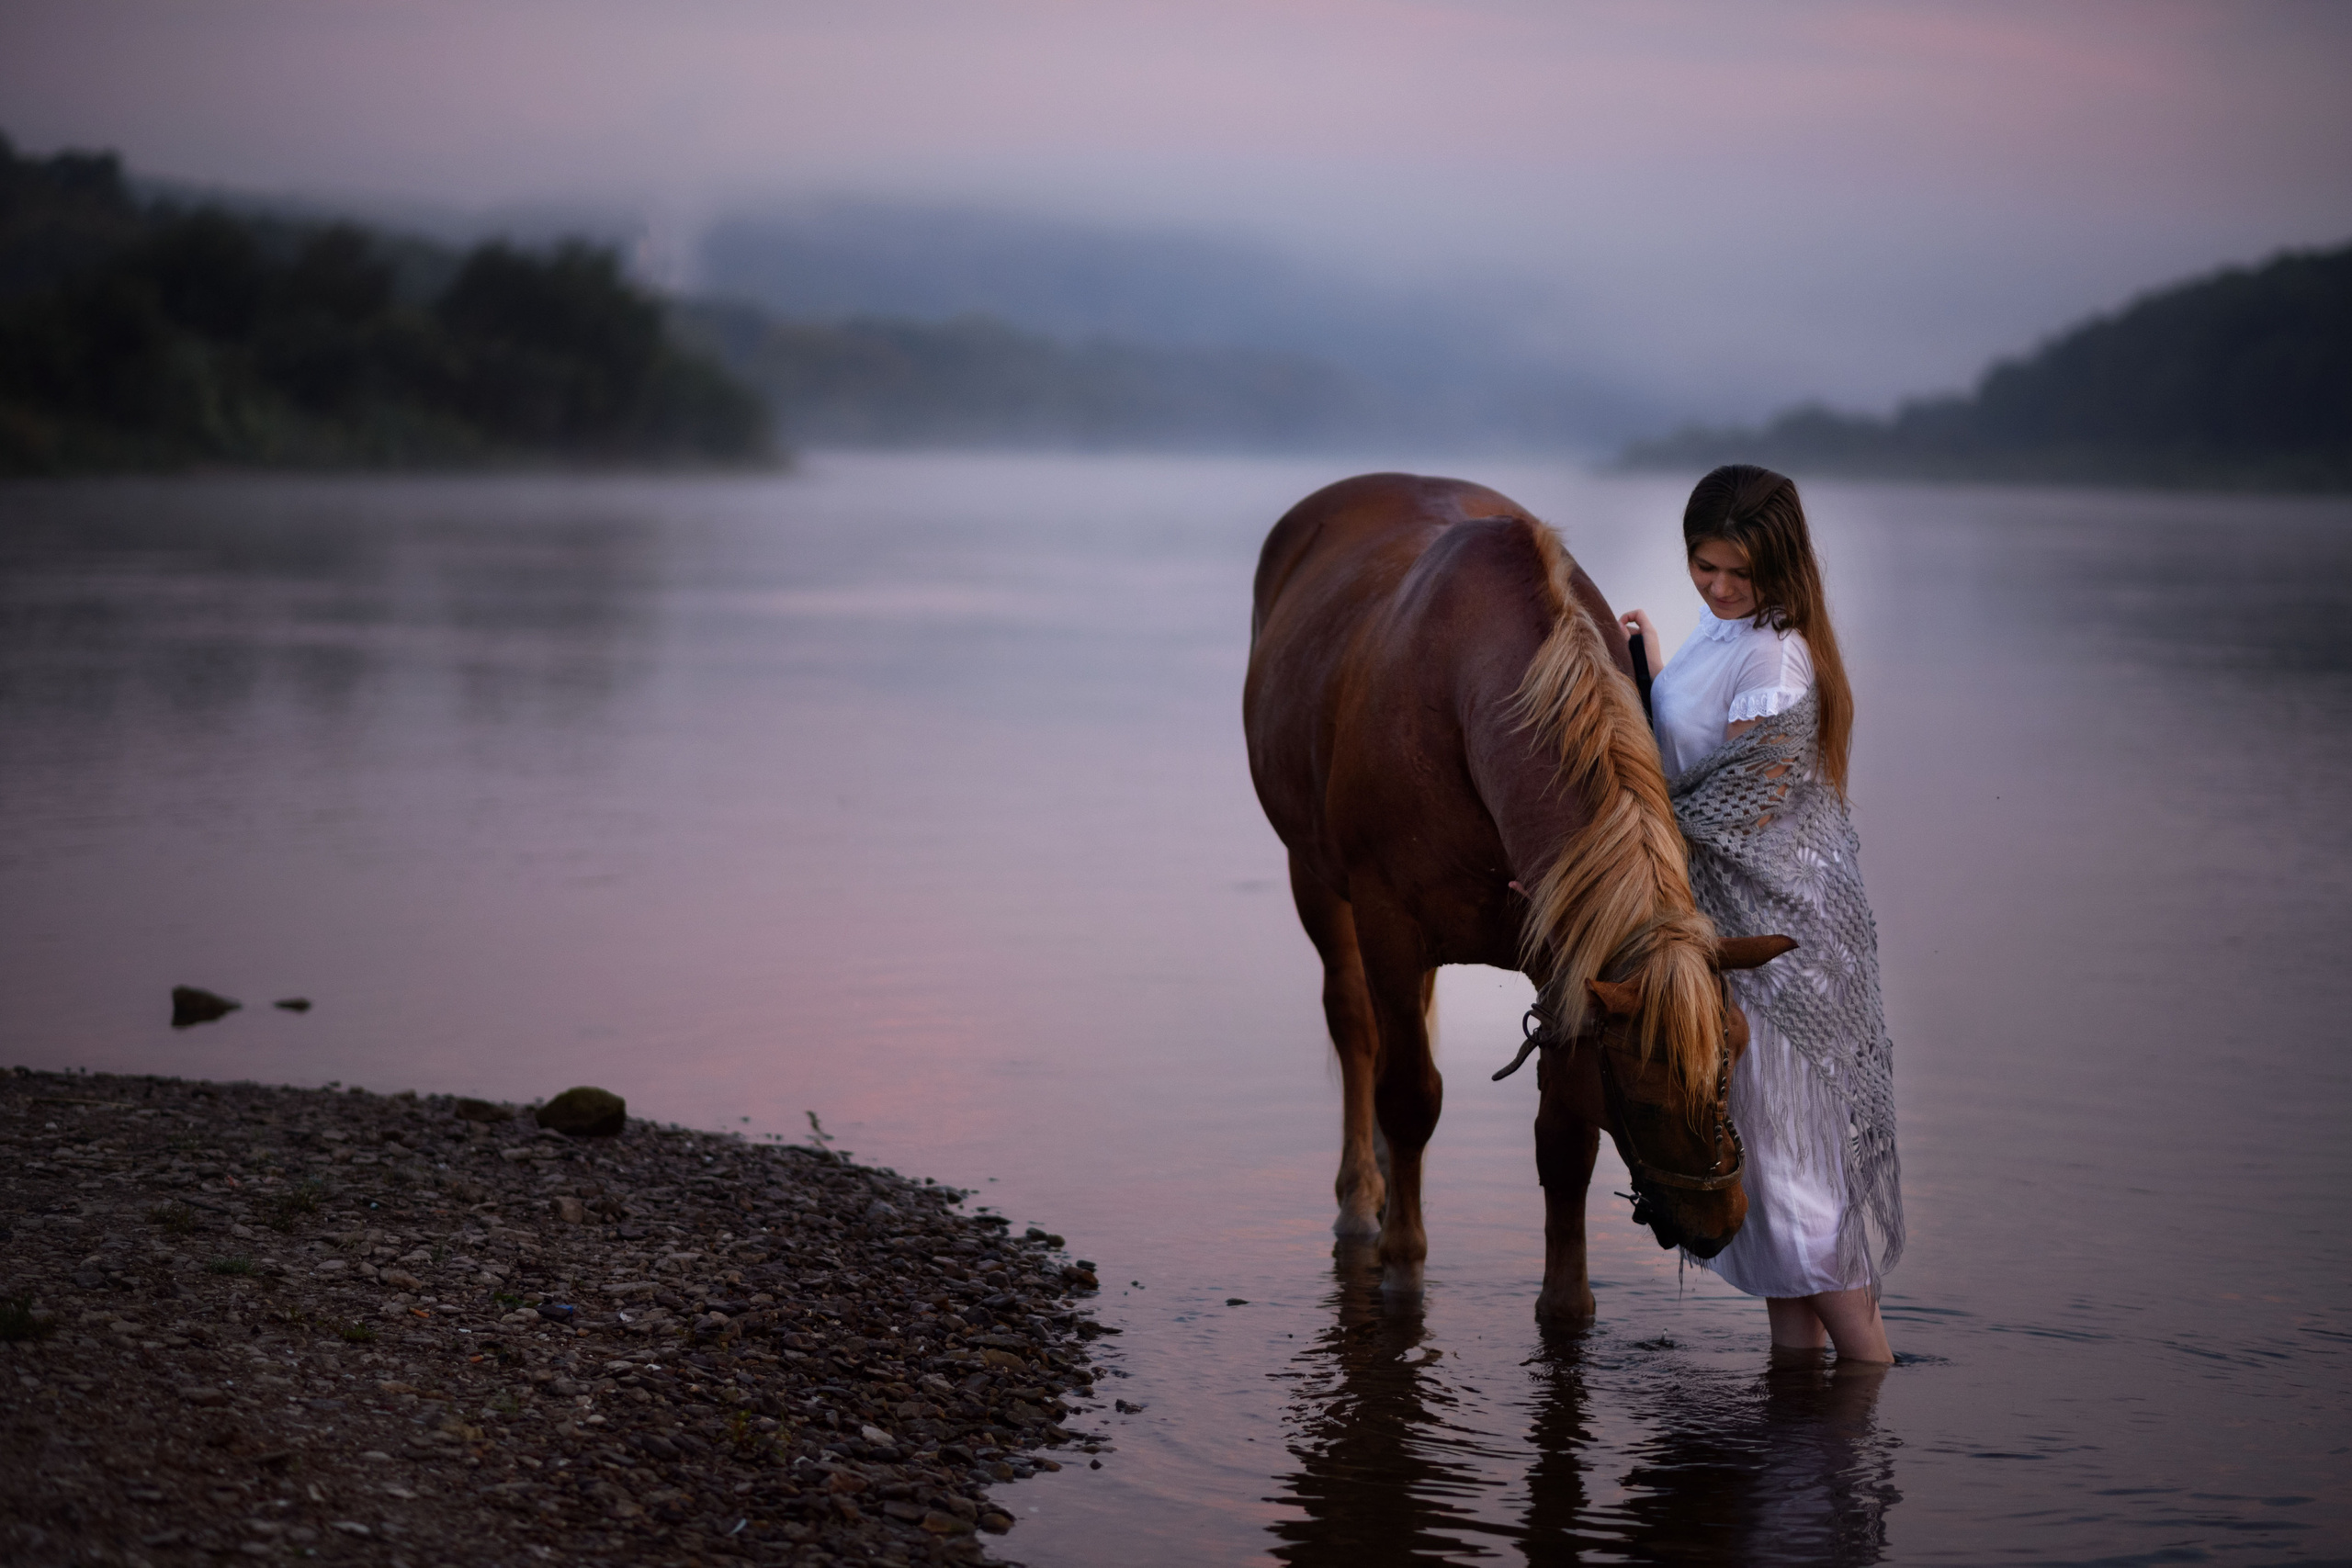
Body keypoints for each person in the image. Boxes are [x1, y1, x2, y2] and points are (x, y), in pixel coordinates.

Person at [1619, 464, 1903, 1364]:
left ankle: (1867, 1389)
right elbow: (1698, 757)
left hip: (1782, 954)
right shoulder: (1719, 633)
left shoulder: (1775, 654)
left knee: (1800, 1191)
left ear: (1779, 568)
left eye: (1738, 573)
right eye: (1704, 565)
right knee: (1777, 1209)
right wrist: (1654, 667)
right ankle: (1800, 1444)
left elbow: (1740, 805)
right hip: (1728, 938)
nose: (1719, 587)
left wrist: (1606, 849)